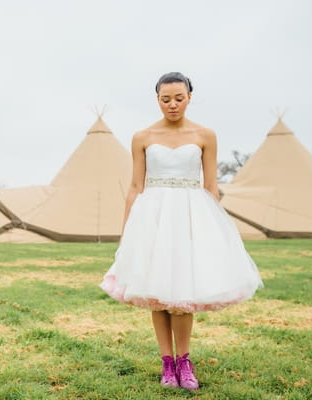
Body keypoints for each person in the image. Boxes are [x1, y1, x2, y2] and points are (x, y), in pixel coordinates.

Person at [99, 72, 263, 391]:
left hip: (190, 214)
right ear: (157, 99)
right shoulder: (142, 137)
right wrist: (127, 229)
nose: (172, 105)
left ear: (189, 97)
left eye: (178, 98)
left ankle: (185, 361)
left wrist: (215, 230)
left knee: (183, 292)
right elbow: (135, 185)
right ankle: (167, 363)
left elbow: (212, 186)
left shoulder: (205, 135)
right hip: (153, 217)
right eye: (165, 99)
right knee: (157, 291)